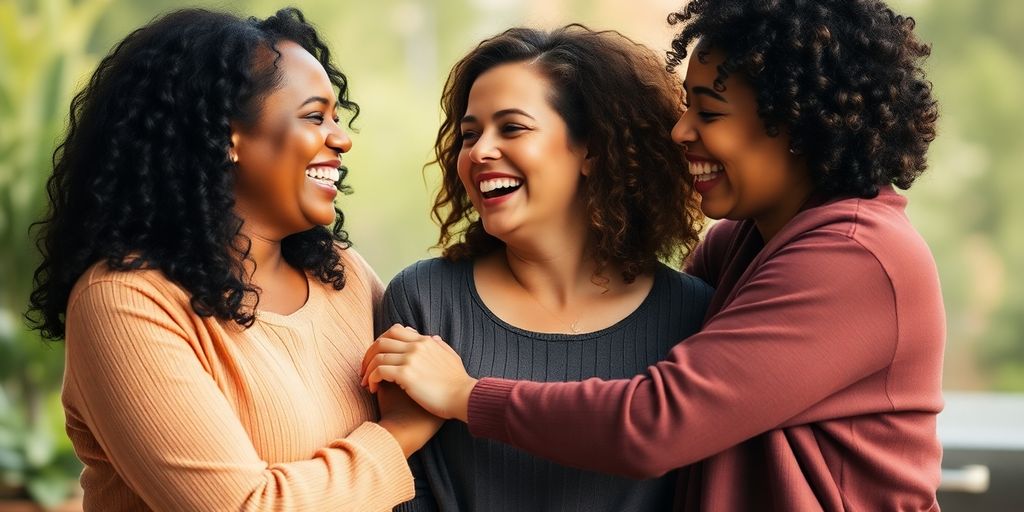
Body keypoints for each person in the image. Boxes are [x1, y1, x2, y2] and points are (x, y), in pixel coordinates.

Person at [363, 0, 945, 510]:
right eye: (686, 107)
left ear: (797, 123)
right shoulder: (745, 243)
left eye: (709, 113)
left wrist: (467, 394)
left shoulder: (854, 258)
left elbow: (654, 423)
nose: (680, 131)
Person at [26, 8, 438, 511]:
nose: (342, 137)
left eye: (336, 117)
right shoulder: (124, 301)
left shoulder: (342, 274)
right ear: (226, 136)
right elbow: (243, 506)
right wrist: (398, 433)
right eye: (314, 116)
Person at [370, 25, 711, 511]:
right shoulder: (422, 301)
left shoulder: (694, 314)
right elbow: (403, 486)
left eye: (512, 128)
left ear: (590, 149)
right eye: (470, 134)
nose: (480, 151)